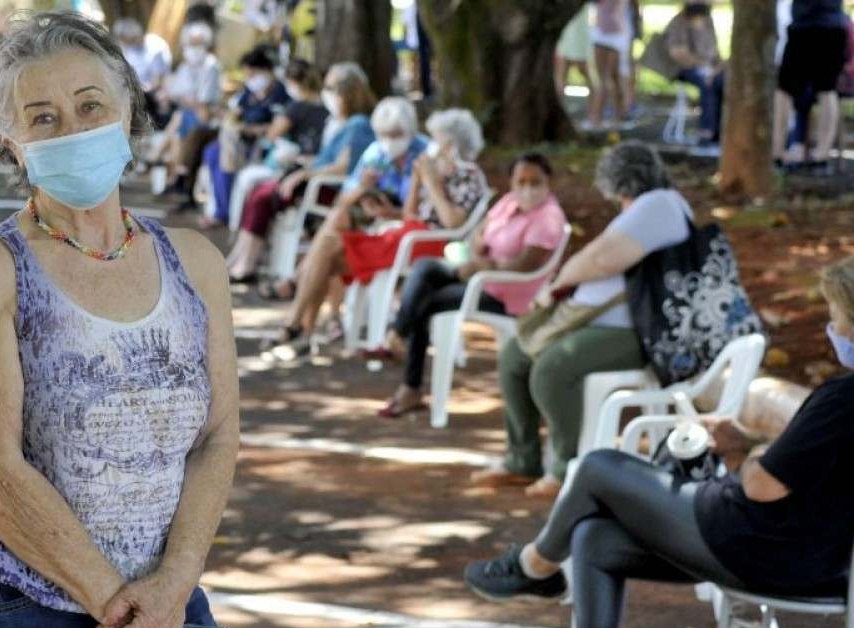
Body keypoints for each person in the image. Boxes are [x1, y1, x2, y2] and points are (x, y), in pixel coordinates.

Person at [0, 12, 239, 628]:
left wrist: (175, 585)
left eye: (89, 104)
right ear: (7, 138)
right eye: (42, 116)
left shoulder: (195, 261)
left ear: (129, 108)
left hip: (169, 595)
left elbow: (217, 434)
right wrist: (124, 611)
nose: (72, 128)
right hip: (35, 610)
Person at [463, 254, 854, 628]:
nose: (833, 330)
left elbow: (762, 487)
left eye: (838, 318)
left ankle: (534, 566)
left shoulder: (842, 398)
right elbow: (819, 463)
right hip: (814, 558)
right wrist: (748, 441)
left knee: (599, 468)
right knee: (595, 537)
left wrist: (744, 453)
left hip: (762, 548)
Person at [484, 141, 692, 499]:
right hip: (594, 321)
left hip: (635, 331)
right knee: (514, 356)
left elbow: (602, 259)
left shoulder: (658, 205)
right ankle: (522, 458)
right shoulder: (647, 207)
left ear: (618, 183)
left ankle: (565, 466)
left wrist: (563, 279)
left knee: (551, 368)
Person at [378, 153, 567, 419]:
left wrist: (485, 267)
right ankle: (399, 335)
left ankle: (405, 367)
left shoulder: (548, 217)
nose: (527, 188)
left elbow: (527, 265)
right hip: (481, 276)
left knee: (426, 300)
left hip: (508, 293)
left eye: (534, 182)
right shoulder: (508, 203)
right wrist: (477, 246)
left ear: (548, 181)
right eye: (520, 181)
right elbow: (482, 230)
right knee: (425, 268)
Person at [272, 96, 429, 356]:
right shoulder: (376, 152)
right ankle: (303, 324)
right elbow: (344, 198)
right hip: (371, 223)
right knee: (337, 221)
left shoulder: (424, 155)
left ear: (410, 131)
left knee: (327, 247)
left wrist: (391, 212)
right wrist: (363, 189)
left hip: (399, 231)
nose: (390, 140)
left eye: (396, 134)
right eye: (385, 134)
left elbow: (420, 215)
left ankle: (297, 322)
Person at [241, 62, 376, 294]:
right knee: (260, 192)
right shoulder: (339, 123)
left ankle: (254, 268)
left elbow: (343, 167)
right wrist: (302, 163)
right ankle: (245, 262)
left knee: (263, 196)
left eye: (331, 87)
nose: (326, 92)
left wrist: (304, 173)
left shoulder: (358, 125)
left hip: (330, 191)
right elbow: (327, 159)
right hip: (322, 187)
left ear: (348, 92)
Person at [224, 57, 329, 250]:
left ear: (293, 82)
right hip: (303, 169)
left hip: (292, 169)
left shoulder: (295, 107)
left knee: (250, 185)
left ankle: (239, 237)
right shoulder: (325, 108)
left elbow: (272, 134)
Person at [200, 45, 290, 228]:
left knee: (224, 150)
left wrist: (251, 129)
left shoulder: (280, 95)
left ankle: (223, 213)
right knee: (212, 152)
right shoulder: (249, 93)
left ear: (267, 71)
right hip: (240, 139)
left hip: (260, 144)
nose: (250, 79)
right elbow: (236, 113)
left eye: (253, 74)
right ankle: (223, 209)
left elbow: (278, 125)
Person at [150, 21, 223, 202]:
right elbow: (176, 94)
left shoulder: (211, 66)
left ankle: (163, 164)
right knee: (179, 127)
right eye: (191, 43)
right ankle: (177, 177)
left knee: (180, 122)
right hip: (190, 116)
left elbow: (202, 103)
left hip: (206, 119)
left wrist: (186, 99)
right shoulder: (185, 66)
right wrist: (186, 99)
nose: (194, 48)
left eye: (198, 44)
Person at [773, 0, 849, 169]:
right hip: (830, 25)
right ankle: (819, 155)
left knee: (785, 90)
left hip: (808, 26)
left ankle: (779, 152)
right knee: (826, 89)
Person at [643, 2, 723, 144]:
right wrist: (703, 66)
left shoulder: (707, 21)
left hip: (709, 68)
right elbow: (677, 53)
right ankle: (706, 132)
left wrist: (714, 69)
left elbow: (715, 52)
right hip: (684, 69)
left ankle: (718, 131)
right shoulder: (679, 22)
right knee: (707, 85)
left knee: (720, 82)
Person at [113, 18, 170, 125]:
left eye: (130, 40)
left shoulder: (155, 45)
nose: (128, 44)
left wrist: (141, 89)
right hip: (136, 90)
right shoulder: (128, 49)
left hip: (155, 90)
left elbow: (158, 79)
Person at [588, 0, 631, 128]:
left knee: (613, 77)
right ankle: (597, 116)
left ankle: (619, 113)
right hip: (600, 32)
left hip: (616, 33)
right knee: (603, 78)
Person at [555, 4, 596, 107]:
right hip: (575, 38)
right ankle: (594, 116)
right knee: (561, 78)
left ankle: (594, 116)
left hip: (572, 37)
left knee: (561, 78)